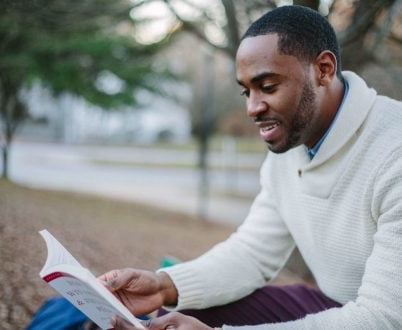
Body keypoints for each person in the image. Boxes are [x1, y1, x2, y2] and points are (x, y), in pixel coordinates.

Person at [100, 5, 402, 329]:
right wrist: (164, 285)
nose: (252, 108)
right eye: (247, 91)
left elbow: (383, 317)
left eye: (268, 87)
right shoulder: (290, 149)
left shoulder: (393, 152)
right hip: (340, 304)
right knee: (188, 315)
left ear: (324, 69)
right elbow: (252, 254)